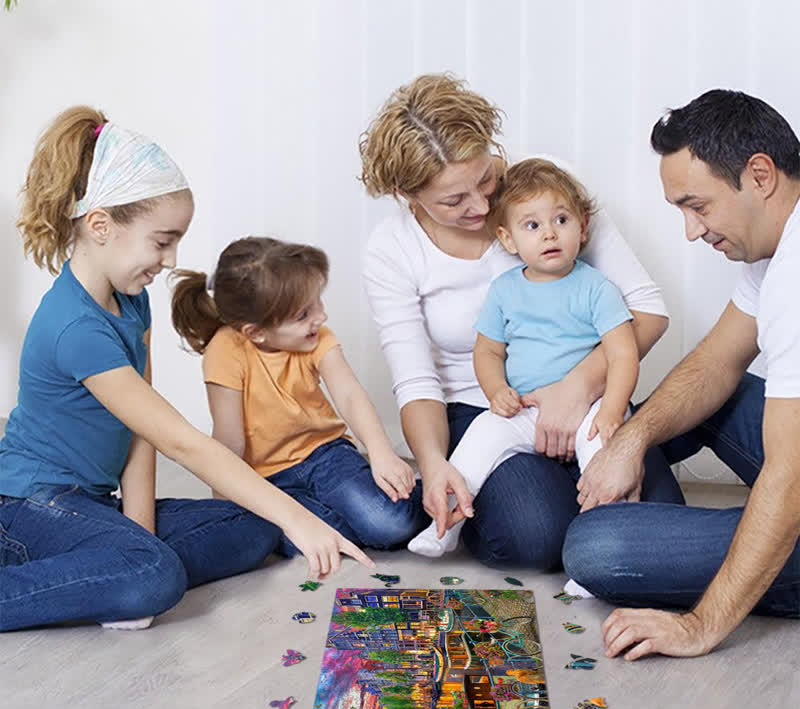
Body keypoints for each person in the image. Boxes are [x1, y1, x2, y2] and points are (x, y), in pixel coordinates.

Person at [0, 106, 373, 633]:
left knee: (251, 526)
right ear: (101, 225)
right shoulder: (74, 327)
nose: (172, 258)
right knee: (153, 576)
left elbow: (143, 436)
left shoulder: (132, 302)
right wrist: (300, 520)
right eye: (161, 240)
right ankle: (104, 574)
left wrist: (141, 531)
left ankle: (106, 572)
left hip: (93, 502)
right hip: (31, 505)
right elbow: (182, 441)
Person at [360, 73, 684, 569]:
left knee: (659, 518)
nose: (483, 206)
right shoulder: (392, 249)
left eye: (486, 178)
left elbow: (647, 309)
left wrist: (576, 389)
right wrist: (433, 463)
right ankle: (495, 502)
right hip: (483, 406)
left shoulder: (547, 194)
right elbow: (417, 380)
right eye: (454, 200)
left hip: (589, 388)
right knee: (537, 537)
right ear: (408, 194)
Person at [563, 89, 800, 660]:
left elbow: (790, 477)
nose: (693, 232)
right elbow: (716, 363)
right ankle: (627, 484)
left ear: (760, 174)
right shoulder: (775, 248)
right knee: (718, 393)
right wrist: (630, 441)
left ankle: (735, 548)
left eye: (699, 206)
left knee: (598, 548)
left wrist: (698, 626)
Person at [407, 158, 638, 557]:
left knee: (605, 466)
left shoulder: (596, 288)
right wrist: (496, 391)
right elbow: (489, 350)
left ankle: (603, 550)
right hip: (525, 408)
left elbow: (623, 355)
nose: (549, 233)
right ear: (508, 239)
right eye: (532, 226)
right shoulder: (505, 290)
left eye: (561, 220)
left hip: (589, 409)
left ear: (583, 228)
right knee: (480, 439)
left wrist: (612, 412)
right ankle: (444, 525)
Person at [170, 236, 429, 554]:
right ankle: (356, 514)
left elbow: (349, 395)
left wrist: (381, 453)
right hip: (267, 476)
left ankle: (427, 490)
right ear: (256, 332)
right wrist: (229, 503)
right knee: (295, 541)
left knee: (389, 524)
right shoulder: (225, 350)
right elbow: (228, 438)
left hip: (326, 454)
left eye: (317, 302)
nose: (320, 317)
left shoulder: (317, 337)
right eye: (303, 314)